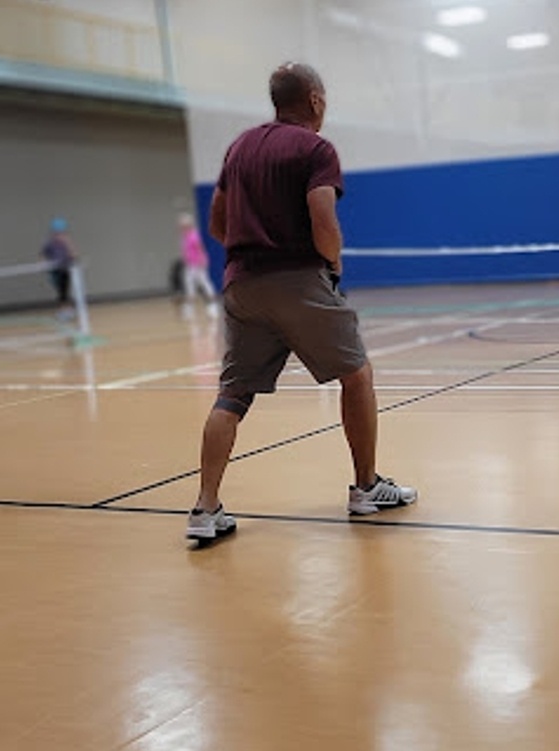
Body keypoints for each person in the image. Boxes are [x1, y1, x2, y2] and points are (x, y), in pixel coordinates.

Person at [186, 62, 417, 543]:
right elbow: (322, 219)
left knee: (232, 395)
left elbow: (217, 224)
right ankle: (366, 488)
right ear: (314, 99)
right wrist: (331, 264)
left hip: (242, 285)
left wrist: (250, 255)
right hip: (299, 280)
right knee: (357, 375)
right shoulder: (315, 148)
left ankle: (205, 509)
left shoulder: (239, 147)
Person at [178, 212, 219, 317]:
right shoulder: (184, 236)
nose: (181, 227)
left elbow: (200, 249)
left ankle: (213, 307)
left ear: (188, 225)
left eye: (183, 225)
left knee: (204, 284)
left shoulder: (193, 235)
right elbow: (185, 251)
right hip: (190, 265)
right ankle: (189, 310)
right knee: (189, 285)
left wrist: (202, 261)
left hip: (198, 264)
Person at [41, 217, 77, 321]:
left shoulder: (67, 242)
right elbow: (44, 254)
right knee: (60, 291)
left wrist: (68, 244)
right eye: (57, 232)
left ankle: (68, 310)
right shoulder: (49, 243)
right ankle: (63, 310)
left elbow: (73, 255)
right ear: (53, 232)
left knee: (65, 290)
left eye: (61, 232)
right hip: (55, 271)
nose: (59, 234)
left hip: (65, 269)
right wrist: (46, 266)